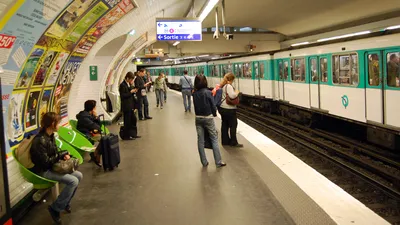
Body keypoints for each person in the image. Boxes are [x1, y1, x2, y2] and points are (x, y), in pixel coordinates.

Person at [30, 112, 83, 224]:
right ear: (52, 124)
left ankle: (65, 202)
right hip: (44, 171)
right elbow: (45, 163)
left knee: (79, 175)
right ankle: (55, 208)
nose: (59, 125)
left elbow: (53, 154)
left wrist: (63, 155)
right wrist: (61, 155)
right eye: (58, 123)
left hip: (51, 167)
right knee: (73, 181)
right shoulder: (40, 141)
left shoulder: (50, 136)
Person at [192, 75, 226, 168]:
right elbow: (213, 105)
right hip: (208, 118)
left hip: (198, 118)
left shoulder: (194, 93)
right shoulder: (208, 92)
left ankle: (204, 162)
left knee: (200, 140)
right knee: (214, 139)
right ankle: (218, 162)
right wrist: (214, 114)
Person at [218, 73, 243, 148]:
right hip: (229, 109)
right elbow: (232, 96)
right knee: (233, 125)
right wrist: (236, 93)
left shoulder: (223, 85)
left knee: (225, 124)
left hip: (222, 108)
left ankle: (225, 141)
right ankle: (233, 142)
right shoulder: (228, 86)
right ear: (231, 79)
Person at [76, 100, 102, 166]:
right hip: (85, 134)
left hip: (88, 132)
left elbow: (97, 126)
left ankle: (95, 154)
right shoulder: (84, 117)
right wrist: (96, 117)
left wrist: (95, 118)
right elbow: (97, 126)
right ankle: (96, 154)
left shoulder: (87, 114)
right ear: (93, 108)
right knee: (103, 139)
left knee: (104, 137)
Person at [119, 72, 140, 140]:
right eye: (131, 79)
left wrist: (133, 90)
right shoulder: (122, 85)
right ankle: (126, 136)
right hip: (126, 106)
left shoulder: (128, 84)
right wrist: (130, 92)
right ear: (127, 78)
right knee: (127, 122)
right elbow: (122, 96)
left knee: (133, 120)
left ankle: (133, 134)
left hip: (130, 106)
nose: (132, 81)